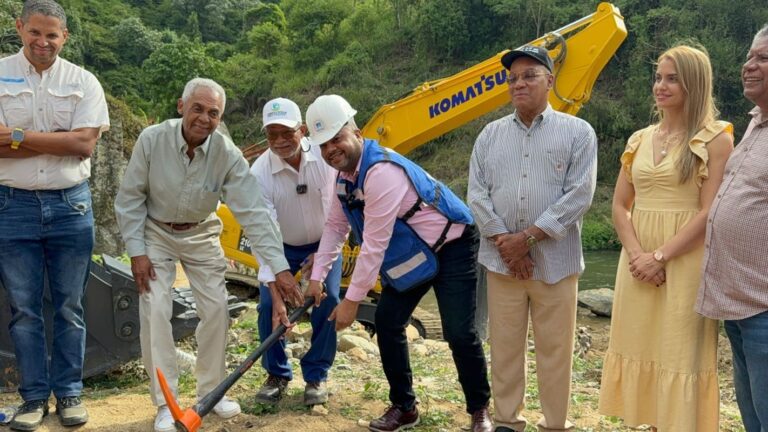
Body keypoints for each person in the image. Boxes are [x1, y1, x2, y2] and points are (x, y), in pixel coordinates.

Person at [114, 78, 303, 432]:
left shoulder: (227, 154)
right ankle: (165, 404)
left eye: (213, 113)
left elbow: (254, 214)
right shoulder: (151, 140)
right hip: (155, 230)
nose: (204, 118)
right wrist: (137, 252)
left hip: (201, 231)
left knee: (216, 308)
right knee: (155, 308)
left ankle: (211, 394)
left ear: (220, 118)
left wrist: (279, 268)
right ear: (181, 106)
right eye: (197, 109)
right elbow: (129, 199)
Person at [304, 94, 493, 432]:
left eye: (337, 139)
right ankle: (404, 407)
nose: (331, 149)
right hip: (411, 253)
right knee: (389, 322)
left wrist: (351, 302)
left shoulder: (381, 173)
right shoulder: (342, 179)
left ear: (357, 134)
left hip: (453, 245)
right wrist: (317, 276)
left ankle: (479, 410)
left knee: (460, 333)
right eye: (323, 145)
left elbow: (373, 247)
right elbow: (335, 227)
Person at [598, 45, 733, 432]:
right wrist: (639, 255)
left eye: (672, 78)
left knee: (679, 351)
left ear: (694, 83)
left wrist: (660, 256)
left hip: (684, 260)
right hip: (637, 262)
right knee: (642, 345)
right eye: (658, 77)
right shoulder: (638, 138)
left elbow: (710, 213)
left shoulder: (716, 140)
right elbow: (621, 205)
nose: (661, 85)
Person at [467, 45, 598, 432]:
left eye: (529, 75)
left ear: (550, 80)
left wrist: (527, 239)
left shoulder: (578, 132)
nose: (518, 84)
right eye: (512, 79)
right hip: (501, 262)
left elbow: (579, 195)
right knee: (504, 346)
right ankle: (508, 420)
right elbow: (476, 194)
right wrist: (507, 243)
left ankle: (554, 424)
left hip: (555, 262)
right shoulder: (490, 136)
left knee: (555, 351)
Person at [0, 1, 109, 430]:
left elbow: (83, 145)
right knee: (24, 309)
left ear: (65, 37)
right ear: (19, 28)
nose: (42, 42)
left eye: (52, 35)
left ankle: (68, 394)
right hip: (12, 205)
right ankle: (32, 399)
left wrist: (18, 137)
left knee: (69, 307)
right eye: (35, 32)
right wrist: (55, 140)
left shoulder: (83, 82)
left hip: (70, 206)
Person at [696, 25, 768, 432]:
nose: (748, 66)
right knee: (753, 417)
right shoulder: (755, 124)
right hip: (740, 307)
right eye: (749, 55)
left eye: (762, 58)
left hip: (765, 309)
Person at [249, 97, 341, 406]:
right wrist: (276, 291)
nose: (279, 141)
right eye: (271, 134)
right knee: (266, 306)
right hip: (281, 247)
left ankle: (316, 375)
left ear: (301, 130)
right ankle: (277, 373)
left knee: (327, 297)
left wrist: (324, 256)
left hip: (324, 240)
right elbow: (264, 231)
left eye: (286, 132)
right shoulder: (260, 172)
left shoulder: (324, 157)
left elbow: (338, 212)